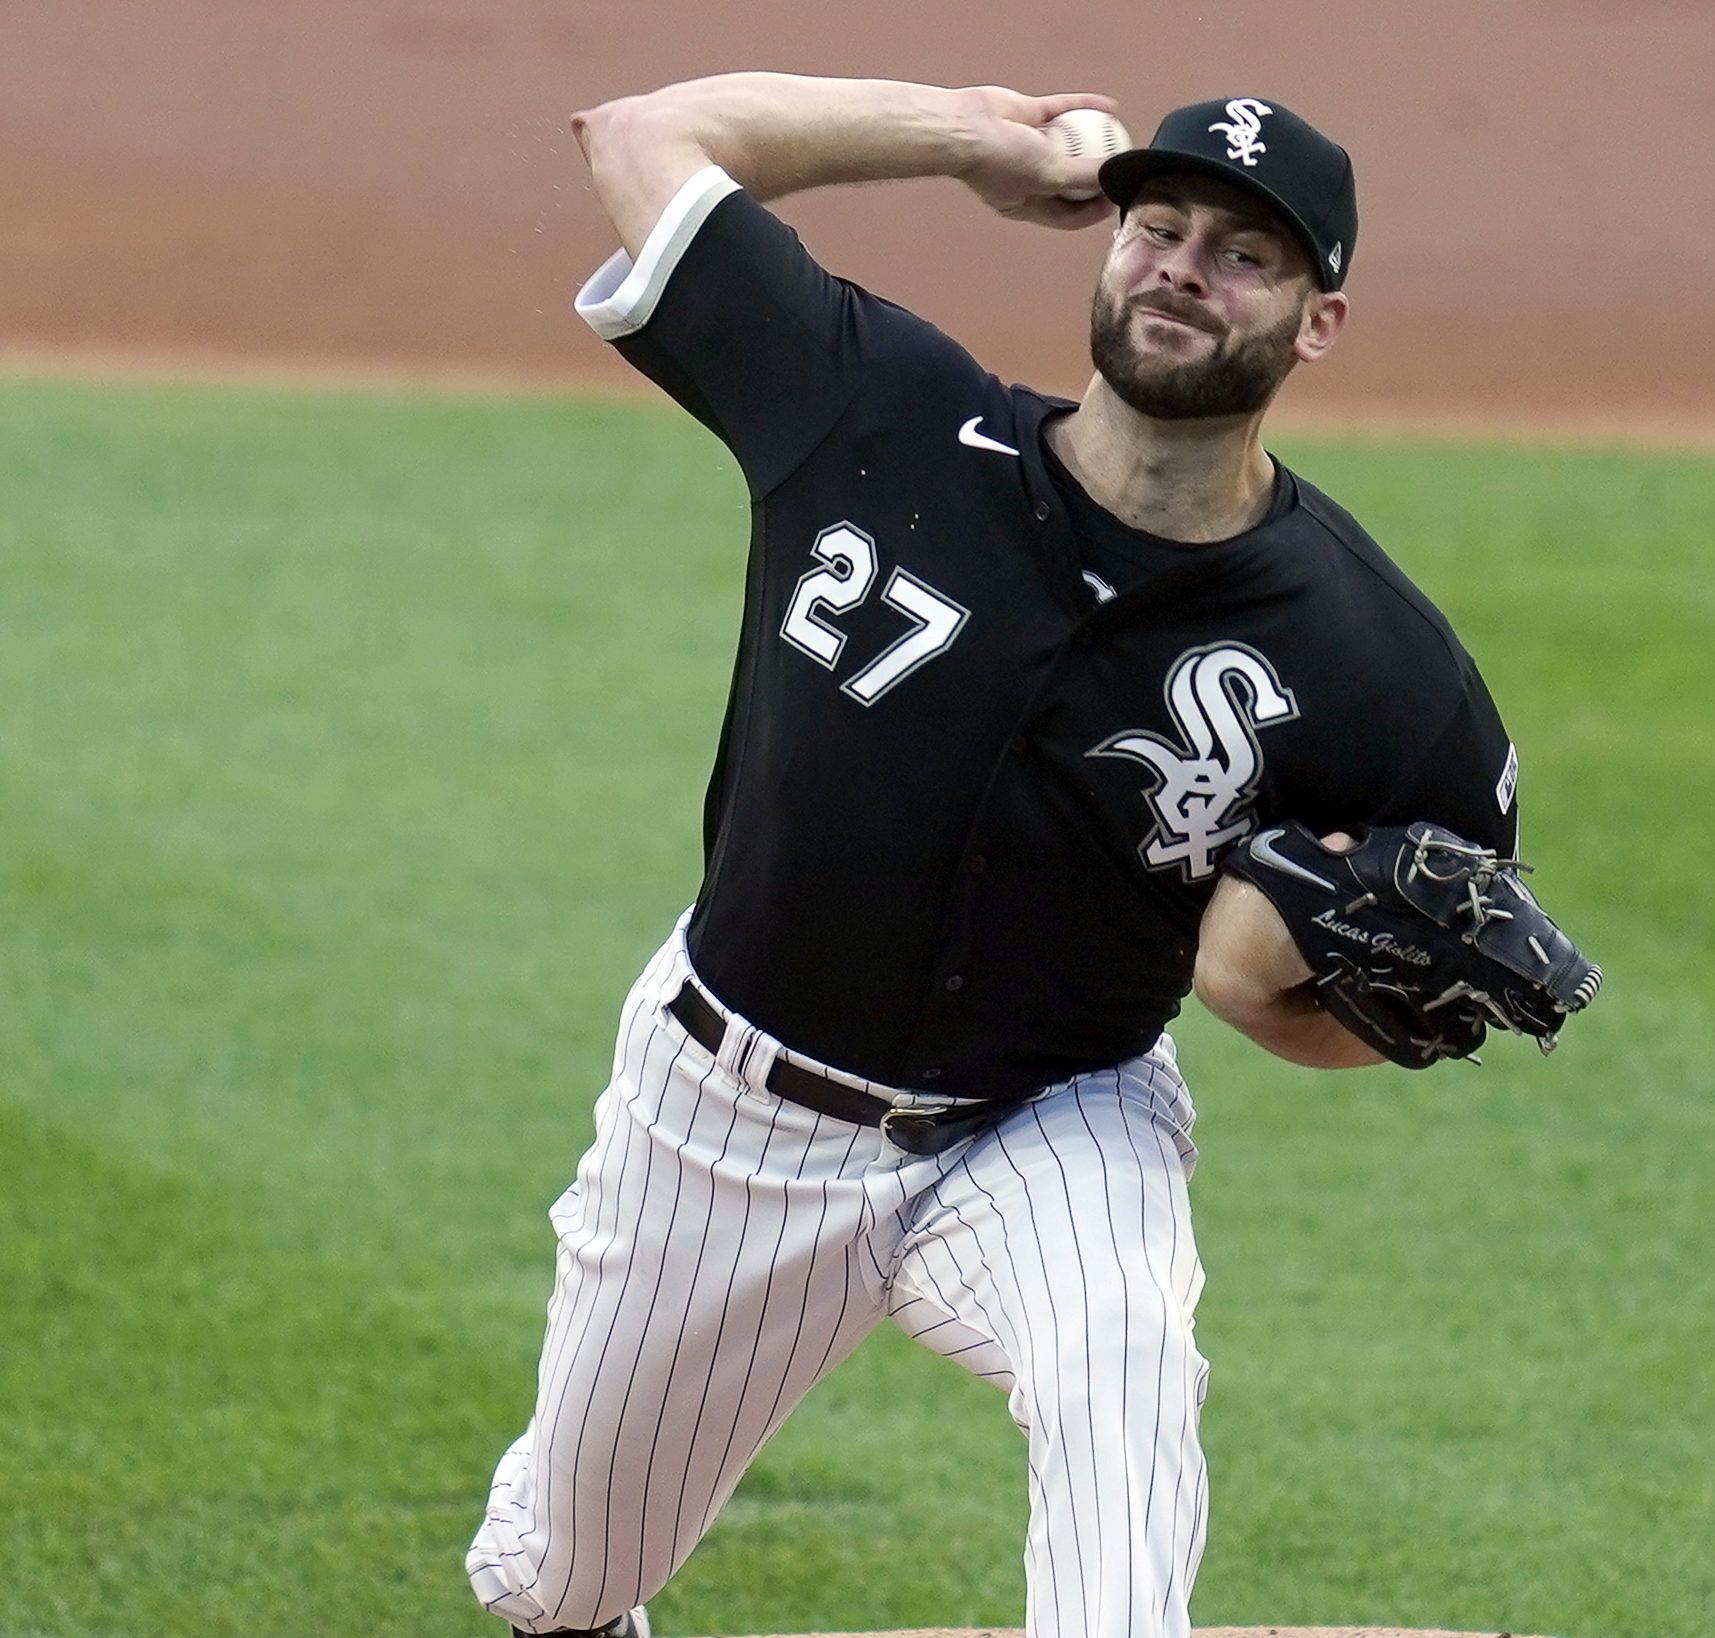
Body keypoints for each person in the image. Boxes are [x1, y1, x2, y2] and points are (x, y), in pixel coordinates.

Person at [466, 75, 1525, 1638]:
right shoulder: (872, 407)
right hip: (723, 1120)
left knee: (1122, 1361)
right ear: (1104, 249)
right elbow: (638, 138)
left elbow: (1423, 981)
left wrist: (1281, 1010)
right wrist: (967, 135)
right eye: (1156, 226)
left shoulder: (1376, 664)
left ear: (1318, 322)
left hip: (1052, 1115)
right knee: (564, 1586)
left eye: (1244, 253)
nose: (1181, 265)